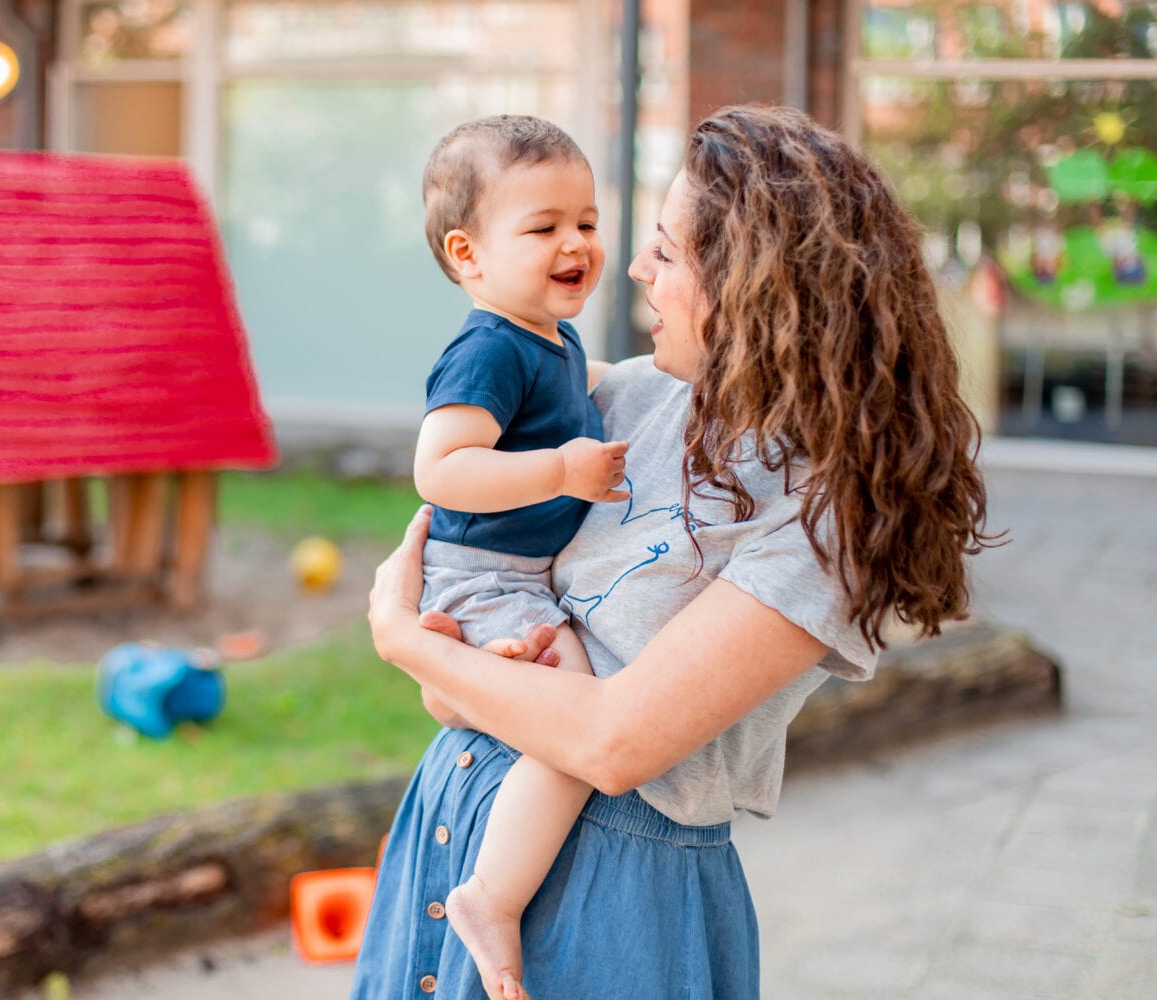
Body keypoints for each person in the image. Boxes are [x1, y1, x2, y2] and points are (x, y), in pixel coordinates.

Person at [352, 104, 997, 1000]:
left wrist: (402, 639)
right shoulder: (636, 399)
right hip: (455, 817)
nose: (635, 270)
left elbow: (614, 744)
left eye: (668, 250)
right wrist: (455, 663)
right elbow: (470, 623)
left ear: (756, 284)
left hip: (613, 898)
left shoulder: (824, 522)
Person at [412, 114, 630, 1000]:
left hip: (515, 579)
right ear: (468, 254)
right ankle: (493, 897)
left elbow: (578, 392)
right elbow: (442, 467)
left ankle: (468, 681)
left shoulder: (548, 334)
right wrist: (560, 469)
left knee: (539, 688)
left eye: (586, 222)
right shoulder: (487, 347)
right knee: (577, 715)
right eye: (543, 229)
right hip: (484, 574)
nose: (575, 243)